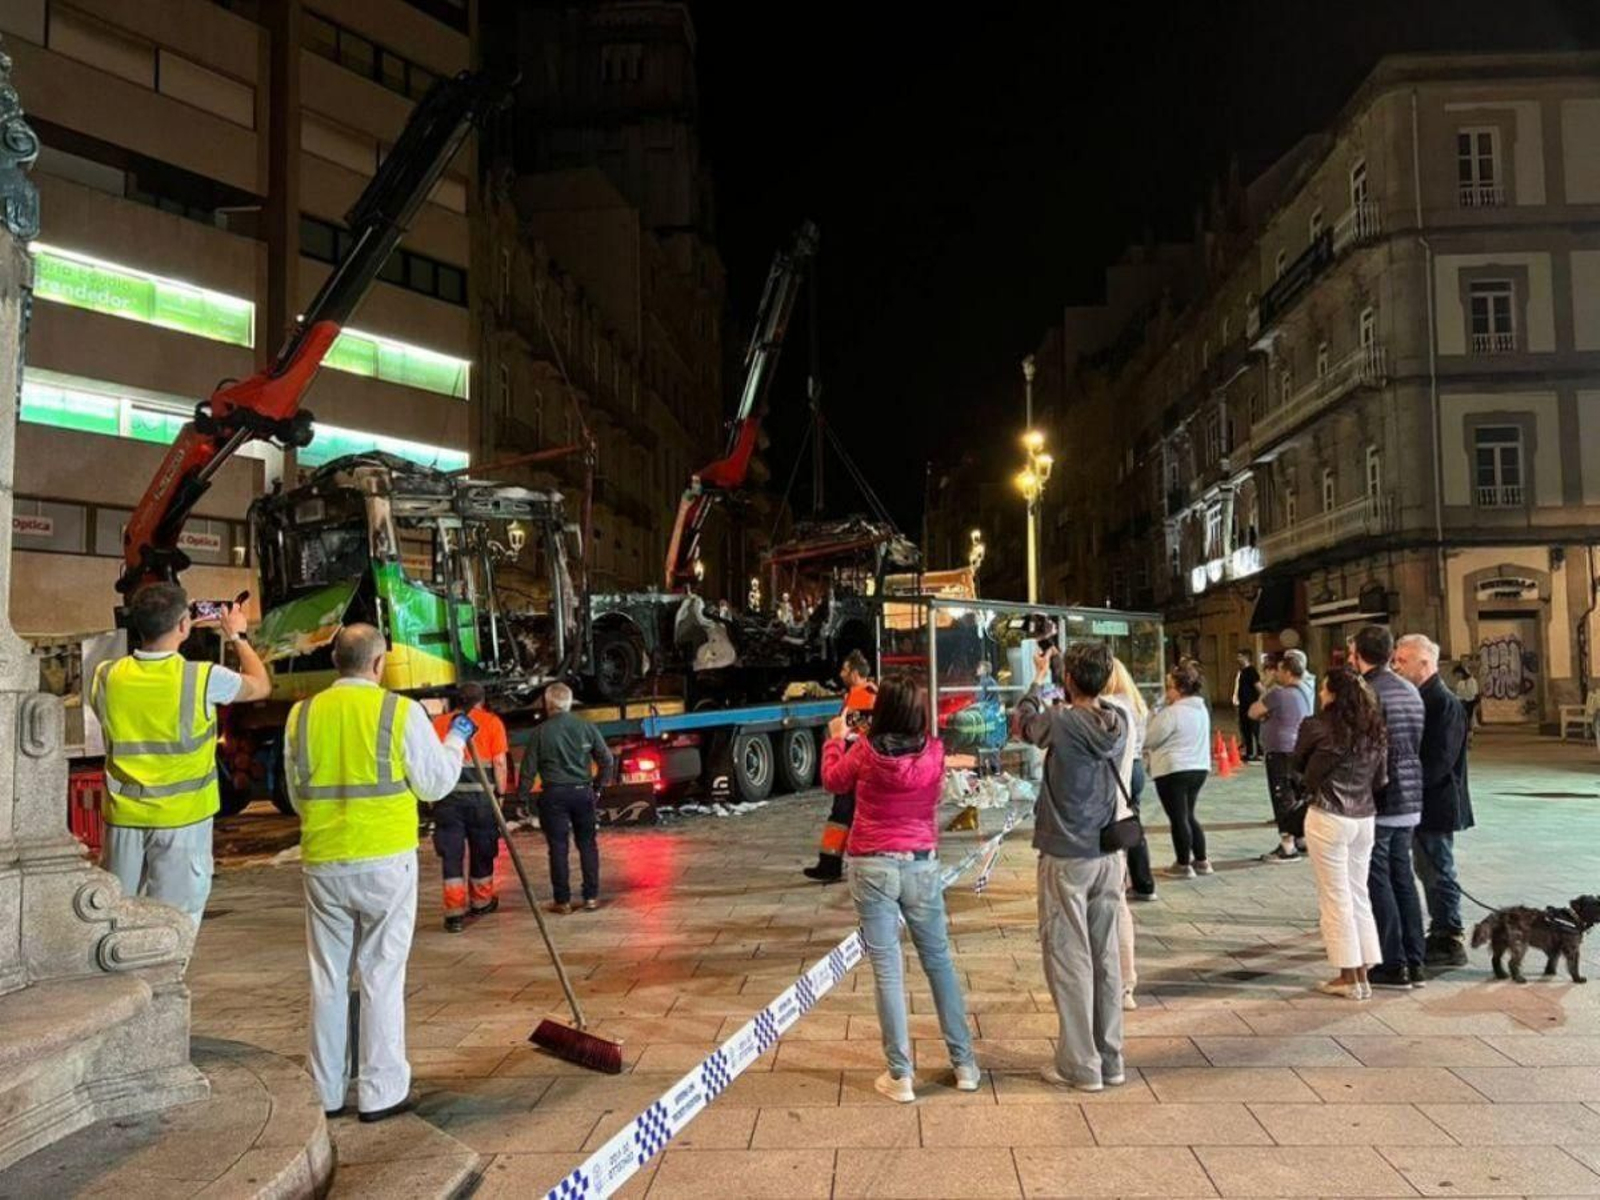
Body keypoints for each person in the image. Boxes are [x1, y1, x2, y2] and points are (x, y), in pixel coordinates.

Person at [284, 624, 467, 1121]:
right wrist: (455, 743)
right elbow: (433, 785)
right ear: (379, 663)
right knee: (382, 973)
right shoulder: (399, 711)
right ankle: (381, 1091)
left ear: (335, 662)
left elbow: (298, 792)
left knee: (327, 978)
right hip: (385, 859)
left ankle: (326, 1091)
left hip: (323, 860)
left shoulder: (301, 715)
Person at [821, 673, 978, 1103]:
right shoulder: (935, 751)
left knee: (888, 971)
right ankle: (964, 1064)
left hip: (872, 863)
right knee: (939, 963)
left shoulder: (867, 753)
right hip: (922, 864)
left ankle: (901, 1075)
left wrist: (837, 739)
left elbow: (834, 780)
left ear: (885, 708)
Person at [91, 583, 271, 928]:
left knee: (117, 923)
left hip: (124, 819)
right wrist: (237, 636)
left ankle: (127, 984)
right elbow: (260, 685)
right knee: (174, 924)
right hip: (183, 822)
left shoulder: (106, 675)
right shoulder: (203, 678)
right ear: (184, 626)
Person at [1016, 641, 1127, 1092]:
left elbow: (1022, 724)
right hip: (1107, 852)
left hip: (1067, 854)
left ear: (1068, 681)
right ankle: (1111, 1057)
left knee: (1069, 957)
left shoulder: (1062, 722)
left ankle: (1080, 1065)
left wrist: (1039, 677)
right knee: (1105, 955)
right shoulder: (1117, 720)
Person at [1295, 667, 1388, 1000]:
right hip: (1365, 818)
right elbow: (1381, 781)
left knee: (1334, 897)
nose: (1320, 694)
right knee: (1358, 894)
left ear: (1334, 694)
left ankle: (1347, 976)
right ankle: (1363, 973)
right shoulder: (1374, 729)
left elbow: (1299, 767)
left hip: (1328, 815)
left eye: (1323, 689)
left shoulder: (1317, 726)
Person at [1348, 625, 1427, 990]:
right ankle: (1416, 958)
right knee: (1403, 878)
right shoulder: (1410, 689)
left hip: (1383, 797)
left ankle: (1392, 962)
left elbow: (1366, 750)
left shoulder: (1368, 692)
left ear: (1358, 655)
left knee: (1377, 879)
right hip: (1411, 796)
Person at [1393, 634, 1474, 969]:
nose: (1396, 666)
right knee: (1425, 868)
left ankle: (1449, 935)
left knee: (1438, 868)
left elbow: (1439, 761)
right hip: (1420, 801)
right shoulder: (1421, 698)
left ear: (1424, 663)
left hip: (1436, 803)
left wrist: (1406, 786)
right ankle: (1439, 929)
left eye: (1401, 660)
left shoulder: (1444, 703)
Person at [515, 682, 614, 913]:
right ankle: (591, 897)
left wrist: (522, 798)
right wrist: (597, 788)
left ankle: (563, 901)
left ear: (547, 704)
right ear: (569, 703)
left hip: (554, 795)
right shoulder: (586, 727)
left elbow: (528, 770)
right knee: (587, 844)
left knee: (558, 848)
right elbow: (607, 760)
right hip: (583, 793)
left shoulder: (540, 732)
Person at [429, 683, 509, 934]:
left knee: (451, 855)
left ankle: (454, 913)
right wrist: (501, 795)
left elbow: (431, 762)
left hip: (448, 802)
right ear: (481, 701)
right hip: (481, 802)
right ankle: (481, 902)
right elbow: (499, 763)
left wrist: (432, 798)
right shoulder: (492, 722)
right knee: (482, 850)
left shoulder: (439, 724)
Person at [803, 650, 878, 882]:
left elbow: (856, 728)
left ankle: (831, 864)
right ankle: (831, 863)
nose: (841, 673)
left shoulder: (862, 696)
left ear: (855, 673)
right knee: (844, 813)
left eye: (845, 670)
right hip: (860, 760)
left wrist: (838, 732)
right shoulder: (864, 693)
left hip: (854, 759)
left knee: (842, 813)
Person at [1101, 658, 1149, 1010]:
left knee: (1106, 902)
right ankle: (1125, 984)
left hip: (1106, 798)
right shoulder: (1134, 704)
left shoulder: (1106, 711)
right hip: (1131, 774)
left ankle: (1114, 984)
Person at [1145, 663, 1213, 878]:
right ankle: (1201, 860)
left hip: (1173, 769)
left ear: (1180, 689)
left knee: (1178, 818)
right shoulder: (1201, 709)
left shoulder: (1172, 713)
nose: (1168, 692)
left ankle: (1183, 864)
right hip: (1198, 767)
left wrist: (1153, 715)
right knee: (1189, 815)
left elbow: (1150, 738)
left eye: (1170, 687)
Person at [1251, 652, 1314, 862]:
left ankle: (1287, 845)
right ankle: (1302, 838)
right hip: (1299, 749)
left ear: (1287, 672)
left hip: (1279, 751)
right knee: (1296, 795)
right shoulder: (1305, 690)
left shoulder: (1278, 694)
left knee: (1282, 795)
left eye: (1278, 670)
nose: (1275, 673)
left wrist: (1266, 692)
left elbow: (1253, 712)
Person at [1231, 650, 1262, 761]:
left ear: (1246, 658)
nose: (1237, 658)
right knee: (1245, 729)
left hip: (1251, 705)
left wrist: (1261, 702)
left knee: (1252, 728)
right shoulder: (1242, 672)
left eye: (1240, 656)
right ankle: (1249, 752)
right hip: (1243, 705)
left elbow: (1259, 687)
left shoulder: (1251, 671)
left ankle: (1255, 752)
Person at [1451, 664, 1480, 735]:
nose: (1457, 677)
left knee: (1467, 718)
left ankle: (1468, 732)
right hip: (1463, 702)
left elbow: (1474, 694)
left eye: (1458, 675)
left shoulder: (1472, 681)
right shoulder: (1460, 683)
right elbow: (1458, 694)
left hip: (1469, 702)